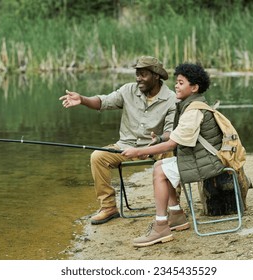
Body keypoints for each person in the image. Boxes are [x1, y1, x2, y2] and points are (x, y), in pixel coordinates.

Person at [59, 56, 177, 225]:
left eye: (143, 75)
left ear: (156, 76)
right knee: (97, 157)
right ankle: (108, 207)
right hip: (125, 147)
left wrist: (158, 139)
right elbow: (103, 102)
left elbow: (170, 133)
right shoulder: (128, 90)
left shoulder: (171, 99)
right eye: (137, 74)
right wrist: (83, 100)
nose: (138, 79)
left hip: (155, 148)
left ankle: (174, 207)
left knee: (170, 155)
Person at [122, 62, 225, 247]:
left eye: (181, 82)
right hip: (203, 159)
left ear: (194, 87)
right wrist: (158, 140)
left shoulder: (193, 111)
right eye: (176, 82)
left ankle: (161, 225)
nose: (176, 86)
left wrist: (139, 151)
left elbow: (172, 143)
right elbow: (172, 139)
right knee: (162, 165)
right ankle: (176, 214)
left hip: (208, 163)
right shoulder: (190, 105)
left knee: (160, 171)